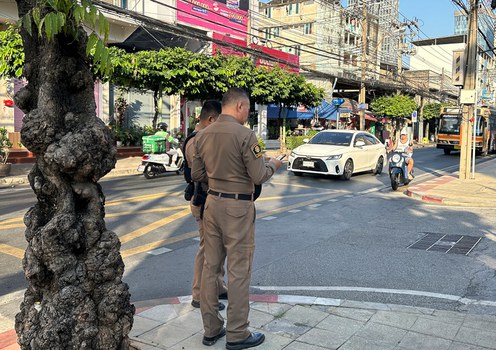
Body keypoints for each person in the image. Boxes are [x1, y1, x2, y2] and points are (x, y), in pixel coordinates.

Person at [191, 88, 282, 349]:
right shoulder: (246, 135)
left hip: (212, 204)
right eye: (248, 109)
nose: (248, 114)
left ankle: (211, 329)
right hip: (238, 208)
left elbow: (197, 173)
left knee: (211, 267)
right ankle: (238, 332)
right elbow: (258, 176)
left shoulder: (203, 135)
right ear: (240, 106)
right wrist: (273, 164)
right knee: (238, 271)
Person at [183, 100, 228, 311]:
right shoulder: (196, 142)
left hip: (213, 201)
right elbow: (206, 173)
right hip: (203, 201)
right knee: (207, 249)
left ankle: (218, 286)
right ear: (211, 119)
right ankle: (199, 294)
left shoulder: (205, 138)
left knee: (217, 248)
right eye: (220, 122)